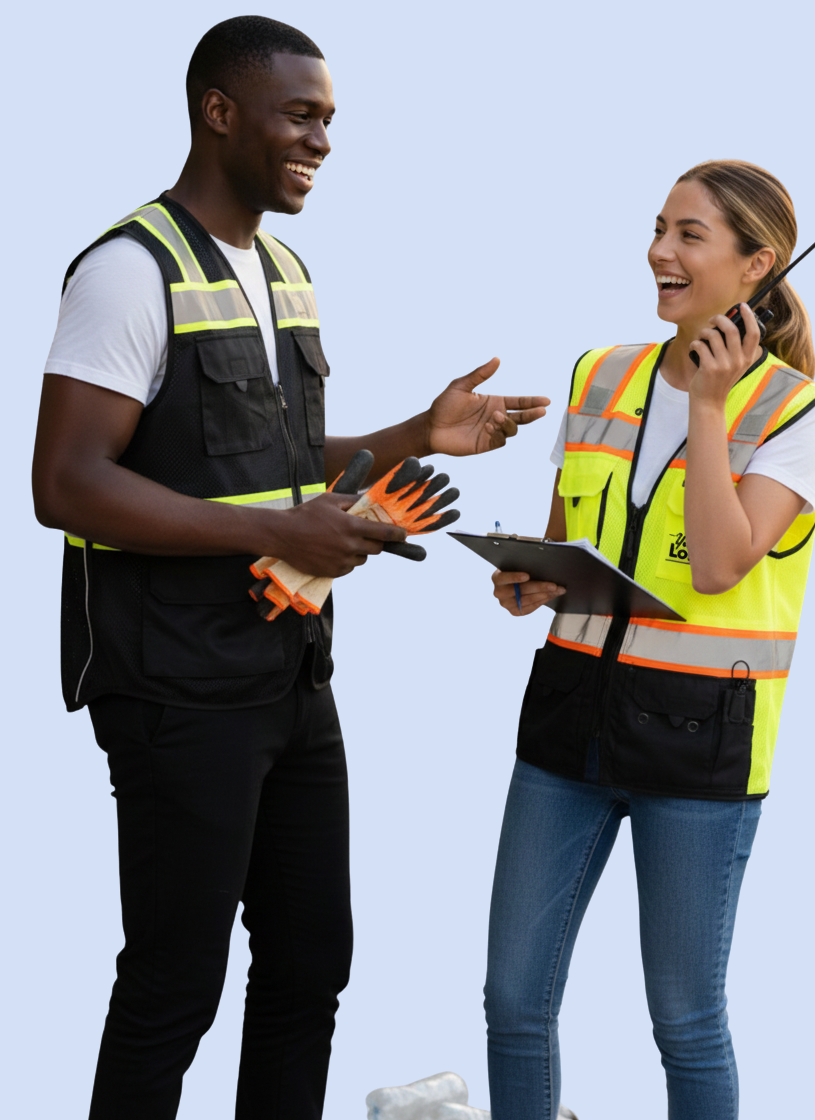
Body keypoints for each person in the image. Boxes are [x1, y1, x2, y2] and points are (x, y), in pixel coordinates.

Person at [31, 16, 549, 1120]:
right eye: (300, 114)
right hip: (174, 686)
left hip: (291, 676)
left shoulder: (285, 271)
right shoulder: (127, 272)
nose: (322, 139)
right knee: (175, 985)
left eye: (329, 119)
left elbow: (270, 459)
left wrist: (415, 434)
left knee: (311, 962)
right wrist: (276, 533)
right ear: (219, 112)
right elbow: (66, 484)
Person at [482, 160, 815, 1120]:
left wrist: (712, 406)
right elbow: (567, 544)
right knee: (514, 1003)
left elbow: (722, 564)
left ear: (757, 265)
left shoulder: (803, 414)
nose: (659, 252)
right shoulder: (600, 375)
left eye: (689, 235)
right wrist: (529, 582)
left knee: (685, 1023)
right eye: (658, 229)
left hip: (700, 747)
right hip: (567, 727)